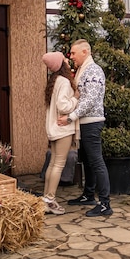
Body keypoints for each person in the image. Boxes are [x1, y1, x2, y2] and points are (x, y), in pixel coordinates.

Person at [58, 39, 112, 217]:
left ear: (85, 52)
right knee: (88, 161)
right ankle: (88, 195)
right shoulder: (83, 70)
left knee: (96, 161)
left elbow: (89, 100)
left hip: (92, 122)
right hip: (84, 122)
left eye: (73, 53)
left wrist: (71, 117)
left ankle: (105, 204)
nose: (71, 56)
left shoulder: (94, 71)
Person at [42, 51, 79, 215]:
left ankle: (46, 198)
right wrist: (76, 98)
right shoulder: (64, 81)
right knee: (58, 164)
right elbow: (64, 106)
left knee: (52, 164)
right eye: (65, 59)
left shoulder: (54, 81)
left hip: (54, 129)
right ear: (61, 64)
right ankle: (50, 199)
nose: (68, 60)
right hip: (62, 129)